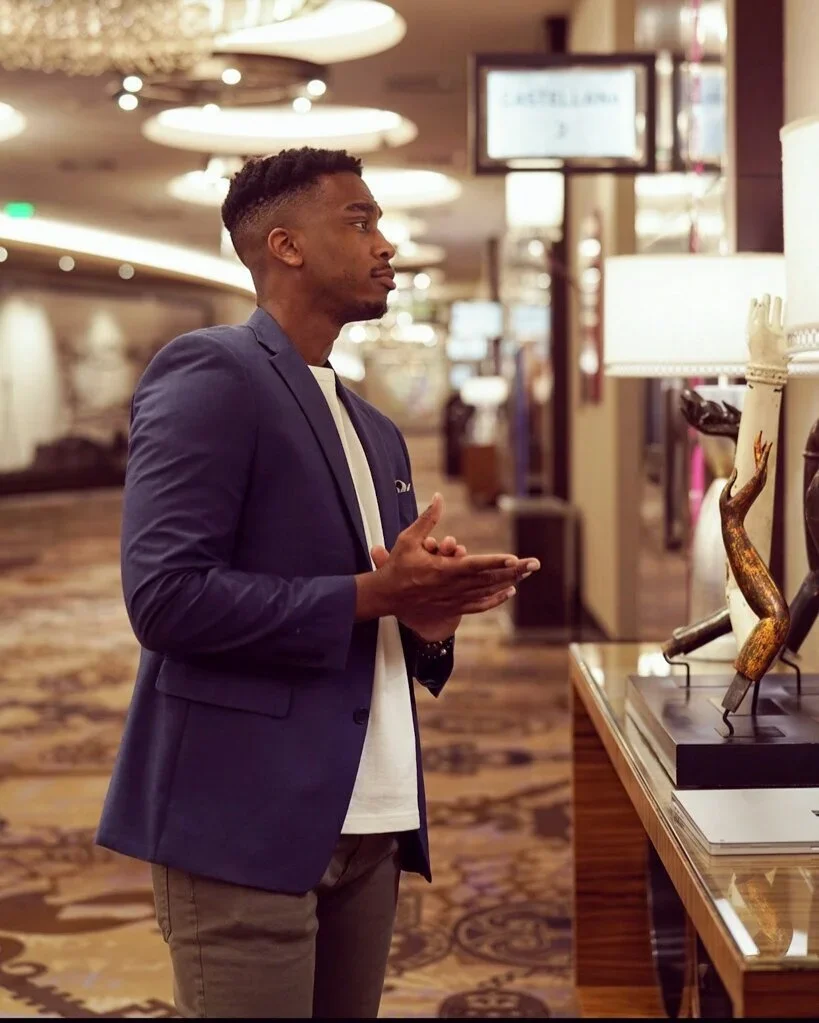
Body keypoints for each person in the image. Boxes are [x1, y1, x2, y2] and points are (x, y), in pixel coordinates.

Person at [95, 146, 541, 1019]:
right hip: (242, 814)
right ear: (286, 245)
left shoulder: (375, 427)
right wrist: (373, 595)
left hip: (370, 810)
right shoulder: (213, 371)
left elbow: (379, 612)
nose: (388, 245)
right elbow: (165, 596)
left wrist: (428, 614)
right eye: (361, 220)